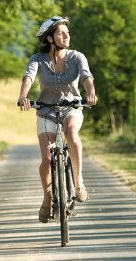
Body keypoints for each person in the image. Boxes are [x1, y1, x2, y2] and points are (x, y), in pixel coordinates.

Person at [17, 15, 98, 223]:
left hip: (72, 107)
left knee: (71, 133)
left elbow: (87, 77)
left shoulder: (77, 57)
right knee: (46, 157)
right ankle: (47, 198)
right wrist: (24, 96)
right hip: (46, 110)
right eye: (61, 33)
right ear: (50, 39)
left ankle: (79, 182)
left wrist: (90, 93)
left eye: (67, 33)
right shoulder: (37, 59)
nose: (66, 36)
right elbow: (29, 76)